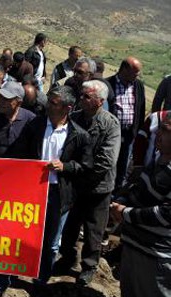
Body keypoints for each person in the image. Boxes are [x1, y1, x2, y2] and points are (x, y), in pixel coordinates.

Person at [12, 86, 91, 294]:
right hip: (32, 191)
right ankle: (13, 272)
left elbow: (85, 166)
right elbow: (20, 153)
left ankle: (41, 279)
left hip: (59, 193)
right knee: (23, 233)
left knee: (51, 241)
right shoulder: (35, 126)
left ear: (68, 108)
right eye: (49, 100)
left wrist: (65, 167)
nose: (48, 105)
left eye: (54, 103)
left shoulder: (79, 135)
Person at [57, 80, 121, 286]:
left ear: (99, 102)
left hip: (98, 187)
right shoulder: (74, 118)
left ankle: (89, 266)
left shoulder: (110, 124)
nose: (81, 99)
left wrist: (80, 172)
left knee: (94, 229)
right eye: (81, 95)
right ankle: (67, 258)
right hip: (75, 185)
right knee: (70, 226)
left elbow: (107, 160)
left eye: (86, 97)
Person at [0, 81, 35, 296]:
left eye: (6, 99)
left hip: (19, 189)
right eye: (0, 97)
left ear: (18, 102)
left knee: (9, 234)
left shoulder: (31, 121)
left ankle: (1, 281)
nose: (1, 102)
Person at [110, 112, 171, 297]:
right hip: (134, 247)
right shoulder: (158, 160)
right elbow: (138, 189)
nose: (157, 134)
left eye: (166, 131)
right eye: (159, 128)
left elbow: (165, 214)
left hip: (155, 257)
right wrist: (121, 201)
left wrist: (125, 213)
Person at [107, 57, 146, 190]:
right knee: (110, 163)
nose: (137, 75)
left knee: (123, 166)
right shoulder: (108, 84)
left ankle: (117, 194)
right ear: (124, 69)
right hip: (111, 135)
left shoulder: (138, 86)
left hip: (129, 134)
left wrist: (138, 132)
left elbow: (140, 109)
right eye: (135, 72)